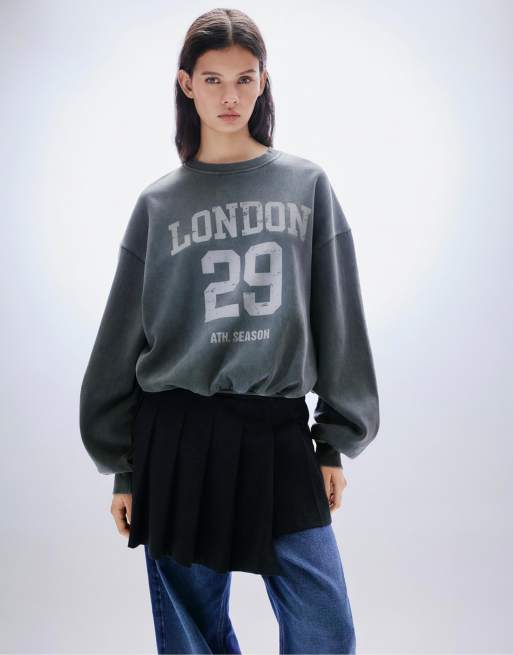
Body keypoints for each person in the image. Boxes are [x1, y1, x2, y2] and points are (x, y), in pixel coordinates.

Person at [79, 8, 380, 655]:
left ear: (263, 82)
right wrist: (124, 471)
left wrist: (332, 442)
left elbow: (340, 321)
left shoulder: (306, 186)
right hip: (175, 436)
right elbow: (120, 339)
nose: (229, 97)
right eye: (213, 79)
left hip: (274, 430)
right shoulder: (158, 204)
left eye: (244, 79)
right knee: (193, 634)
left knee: (324, 626)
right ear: (186, 83)